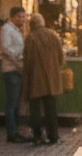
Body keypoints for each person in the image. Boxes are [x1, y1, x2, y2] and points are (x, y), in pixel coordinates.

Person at [22, 12, 64, 145]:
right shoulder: (53, 35)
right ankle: (53, 136)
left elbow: (27, 60)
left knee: (35, 109)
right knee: (51, 109)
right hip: (52, 79)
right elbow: (61, 57)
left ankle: (38, 135)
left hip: (36, 79)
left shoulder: (31, 38)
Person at [0, 6, 33, 143]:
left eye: (24, 16)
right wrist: (19, 61)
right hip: (11, 70)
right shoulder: (7, 29)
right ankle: (12, 133)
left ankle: (15, 132)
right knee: (12, 104)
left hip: (17, 70)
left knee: (15, 104)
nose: (22, 19)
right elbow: (6, 49)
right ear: (12, 17)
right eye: (19, 16)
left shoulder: (17, 30)